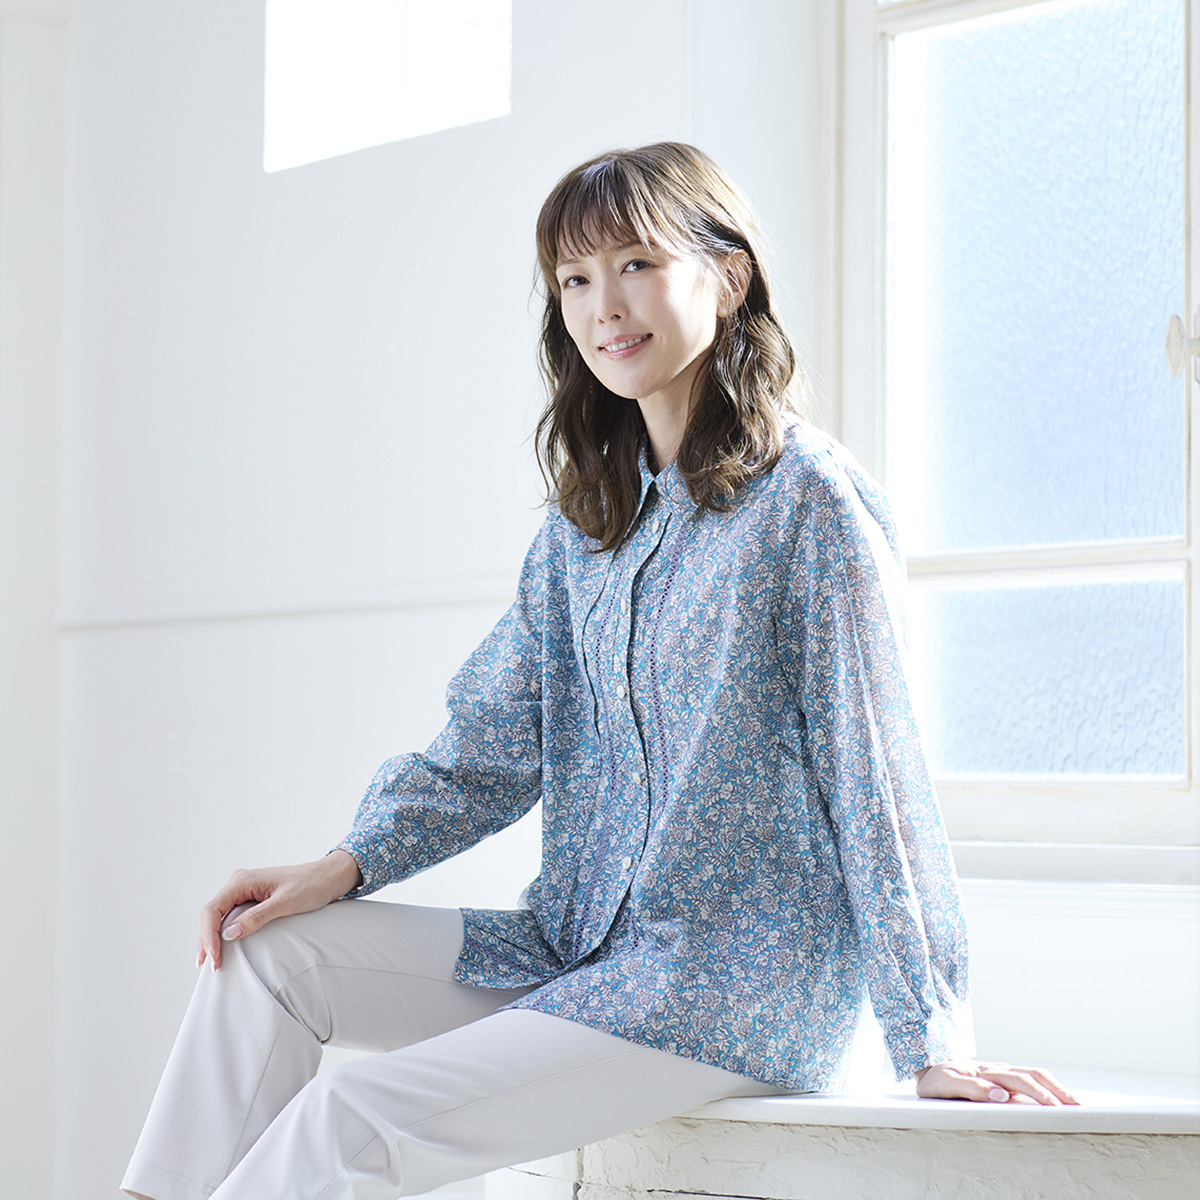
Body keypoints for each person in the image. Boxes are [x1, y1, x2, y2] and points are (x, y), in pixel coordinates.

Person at [121, 142, 1077, 1200]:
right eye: (574, 279)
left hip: (727, 990)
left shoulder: (808, 502)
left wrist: (931, 1033)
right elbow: (488, 744)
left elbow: (876, 773)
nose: (603, 306)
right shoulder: (588, 525)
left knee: (355, 1117)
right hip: (578, 953)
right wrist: (343, 865)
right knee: (267, 957)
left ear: (728, 276)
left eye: (636, 265)